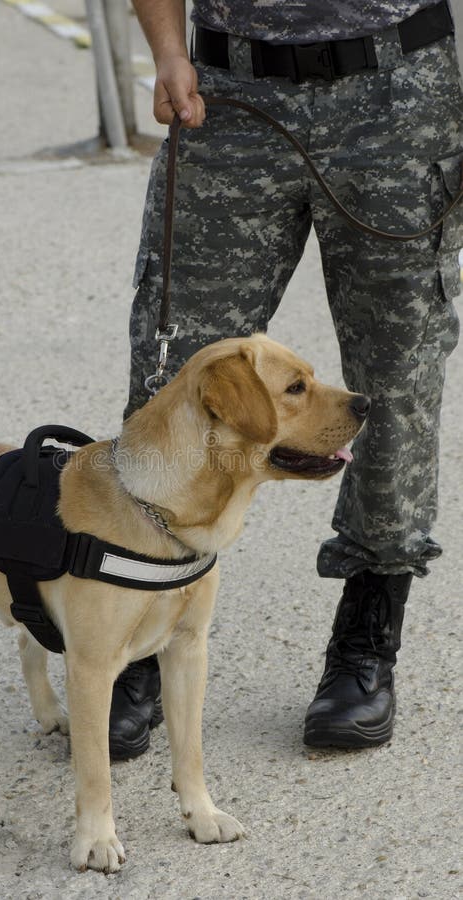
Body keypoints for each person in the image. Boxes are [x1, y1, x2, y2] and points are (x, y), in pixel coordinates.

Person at [107, 0, 462, 758]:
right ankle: (137, 633)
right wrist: (168, 50)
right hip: (229, 95)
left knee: (395, 382)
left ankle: (367, 638)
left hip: (399, 99)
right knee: (177, 378)